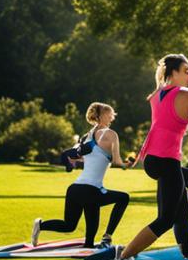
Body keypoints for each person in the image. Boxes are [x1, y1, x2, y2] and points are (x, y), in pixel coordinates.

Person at [113, 54, 188, 260]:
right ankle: (123, 255)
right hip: (166, 161)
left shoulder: (156, 95)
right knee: (165, 219)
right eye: (186, 70)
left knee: (183, 198)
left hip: (153, 161)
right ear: (172, 72)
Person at [32, 102, 130, 248]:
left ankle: (40, 225)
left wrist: (71, 164)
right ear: (102, 116)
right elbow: (117, 161)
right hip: (91, 191)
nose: (111, 119)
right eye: (110, 115)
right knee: (124, 198)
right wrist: (126, 164)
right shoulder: (111, 134)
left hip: (75, 189)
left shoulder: (86, 137)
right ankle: (107, 237)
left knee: (69, 226)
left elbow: (74, 157)